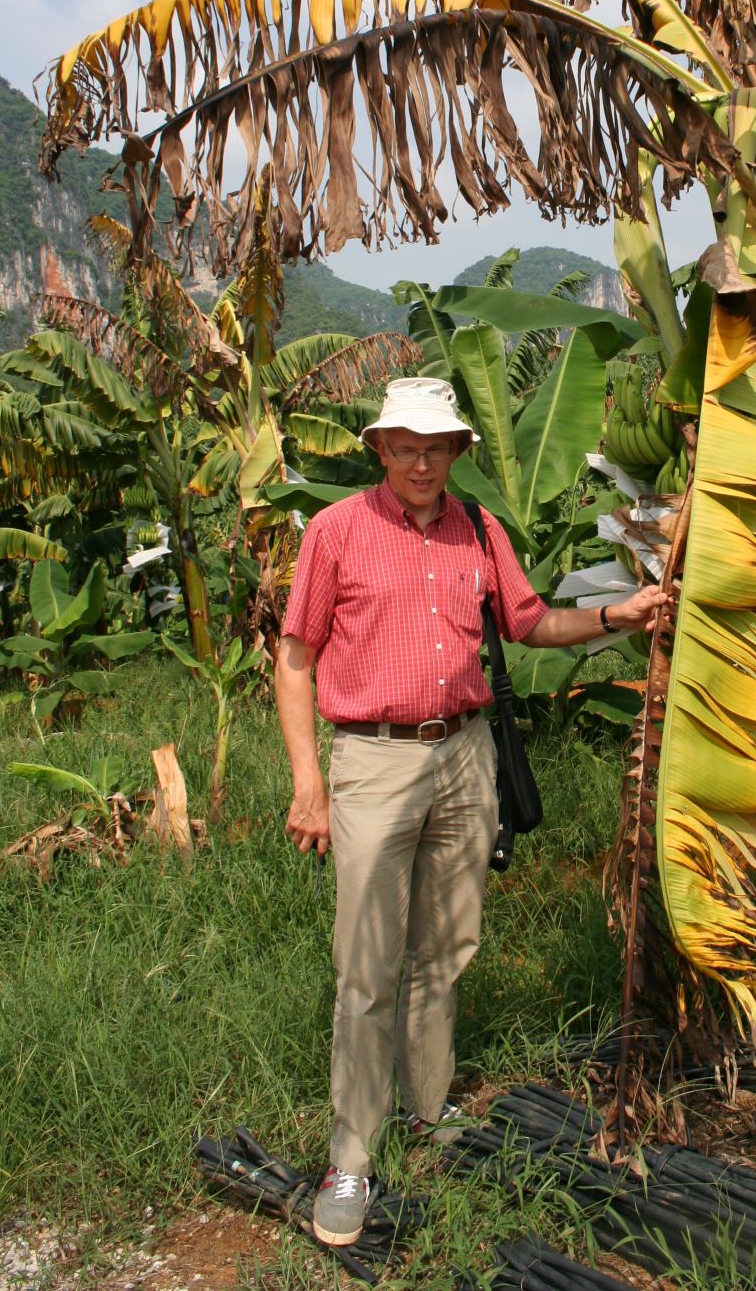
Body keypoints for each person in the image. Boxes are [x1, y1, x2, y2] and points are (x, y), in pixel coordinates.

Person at [274, 376, 669, 1246]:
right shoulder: (338, 531)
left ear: (457, 452)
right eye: (406, 447)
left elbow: (527, 624)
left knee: (446, 947)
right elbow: (295, 658)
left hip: (464, 754)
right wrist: (308, 784)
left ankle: (430, 1110)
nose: (421, 461)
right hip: (372, 760)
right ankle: (352, 1158)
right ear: (381, 449)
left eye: (436, 447)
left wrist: (619, 614)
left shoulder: (478, 529)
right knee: (368, 965)